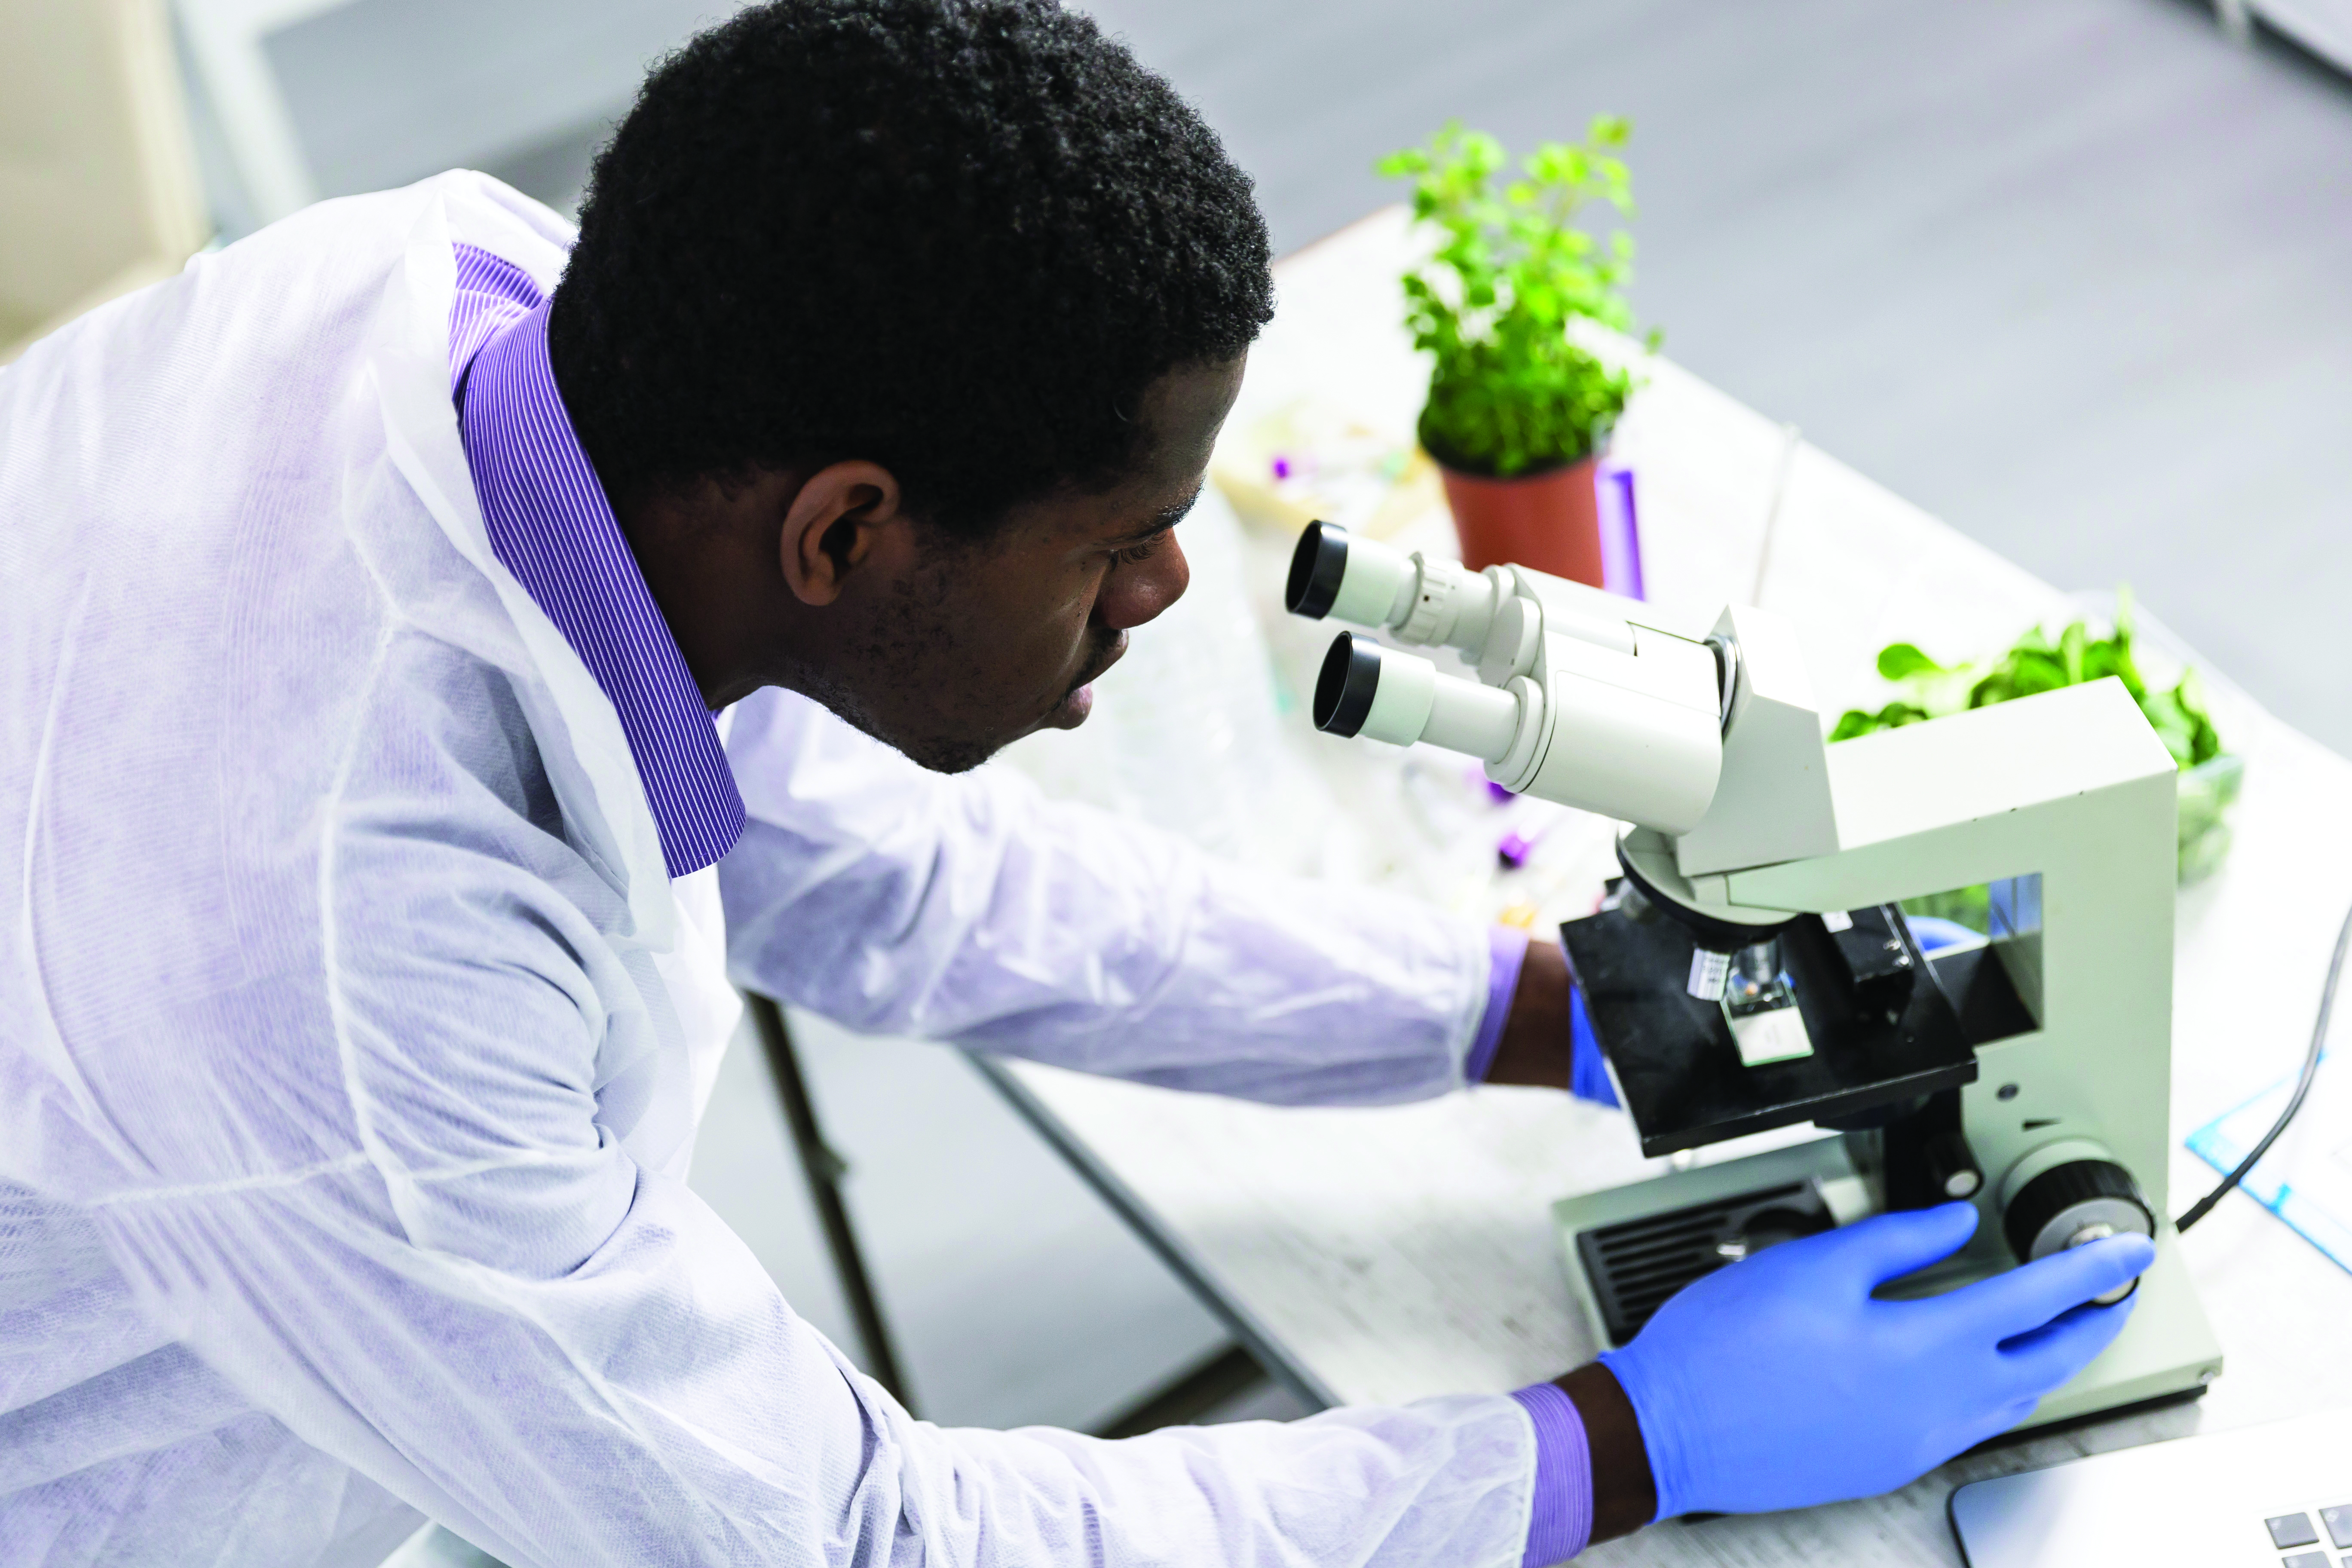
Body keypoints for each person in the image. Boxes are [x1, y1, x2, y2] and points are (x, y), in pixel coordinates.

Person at [0, 3, 2155, 1565]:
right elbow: (851, 1543)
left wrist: (1540, 1010)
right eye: (1116, 537)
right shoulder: (349, 980)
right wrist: (1613, 1444)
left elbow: (897, 887)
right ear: (850, 530)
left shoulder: (490, 332)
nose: (1169, 586)